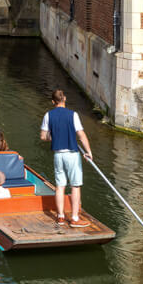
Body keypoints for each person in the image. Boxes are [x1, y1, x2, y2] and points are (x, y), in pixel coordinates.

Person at [40, 89, 94, 227]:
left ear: (53, 102)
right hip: (72, 154)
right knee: (75, 185)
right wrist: (88, 151)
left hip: (58, 155)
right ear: (64, 99)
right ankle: (75, 218)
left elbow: (43, 136)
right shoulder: (73, 115)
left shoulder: (48, 115)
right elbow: (81, 135)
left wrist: (54, 136)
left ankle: (60, 217)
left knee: (60, 186)